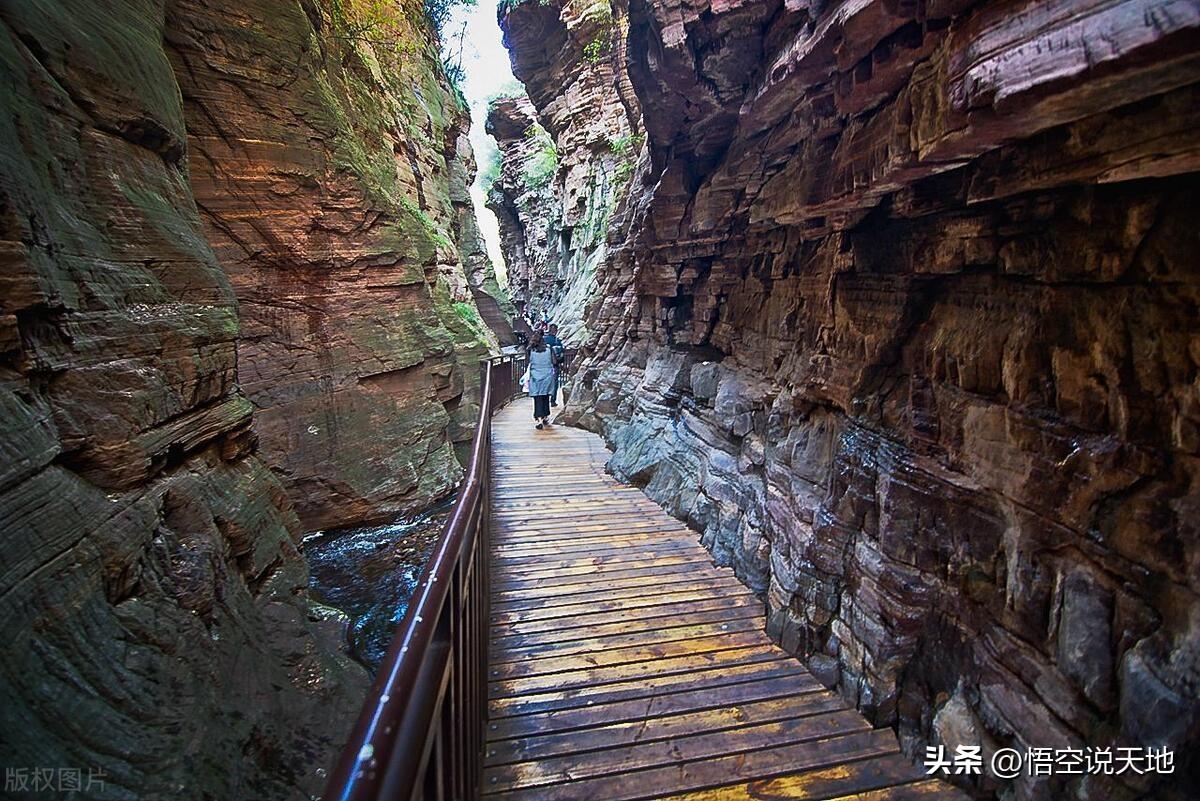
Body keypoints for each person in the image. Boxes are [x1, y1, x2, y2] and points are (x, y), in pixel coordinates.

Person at [525, 331, 559, 429]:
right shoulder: (549, 348)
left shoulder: (530, 350)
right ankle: (545, 416)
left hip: (535, 376)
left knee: (537, 397)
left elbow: (528, 362)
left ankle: (538, 419)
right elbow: (554, 361)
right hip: (547, 375)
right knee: (545, 396)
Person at [544, 323, 565, 407]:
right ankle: (553, 400)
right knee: (555, 382)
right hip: (554, 364)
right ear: (556, 331)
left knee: (545, 382)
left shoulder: (544, 340)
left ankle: (545, 399)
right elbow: (562, 352)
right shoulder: (558, 341)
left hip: (545, 365)